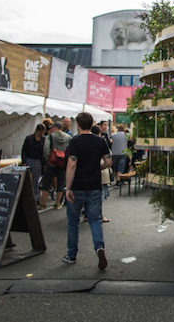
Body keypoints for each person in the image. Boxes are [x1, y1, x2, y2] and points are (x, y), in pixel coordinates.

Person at [63, 112, 112, 270]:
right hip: (94, 185)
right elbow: (108, 161)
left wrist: (68, 187)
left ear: (78, 125)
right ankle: (99, 247)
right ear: (92, 124)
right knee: (95, 219)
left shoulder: (74, 141)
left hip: (77, 186)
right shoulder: (100, 141)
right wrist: (98, 168)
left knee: (73, 221)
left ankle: (71, 254)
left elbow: (72, 164)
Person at [42, 121, 71, 210]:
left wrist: (48, 159)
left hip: (52, 162)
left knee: (46, 182)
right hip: (62, 163)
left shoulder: (50, 136)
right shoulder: (68, 137)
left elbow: (46, 149)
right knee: (61, 183)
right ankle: (58, 203)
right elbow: (70, 149)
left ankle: (43, 203)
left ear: (55, 127)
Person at [90, 124, 112, 223]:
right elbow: (108, 160)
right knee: (99, 196)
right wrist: (100, 168)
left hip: (87, 174)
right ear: (99, 133)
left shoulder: (83, 141)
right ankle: (99, 216)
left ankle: (87, 214)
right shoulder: (101, 142)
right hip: (101, 173)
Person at [21, 123, 46, 205]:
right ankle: (26, 197)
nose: (41, 133)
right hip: (29, 159)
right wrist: (24, 161)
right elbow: (24, 150)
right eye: (41, 132)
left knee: (36, 180)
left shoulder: (44, 139)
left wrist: (44, 163)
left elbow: (44, 152)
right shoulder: (29, 138)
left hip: (38, 160)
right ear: (37, 131)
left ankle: (36, 198)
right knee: (27, 179)